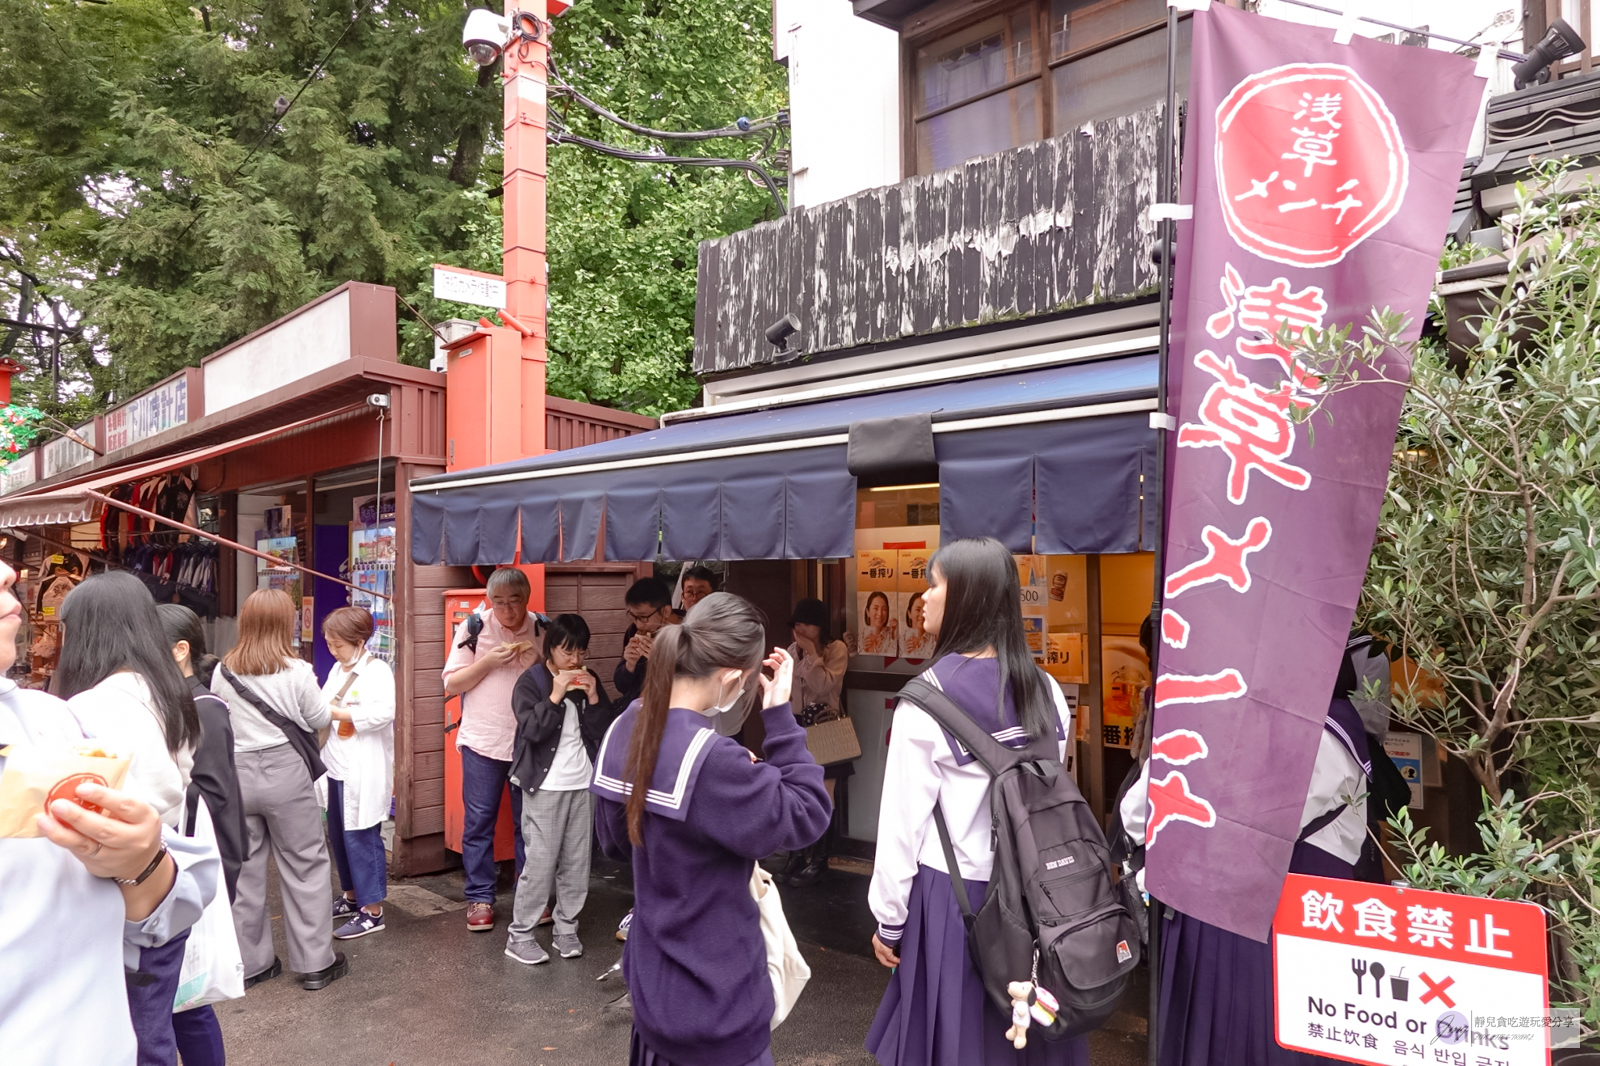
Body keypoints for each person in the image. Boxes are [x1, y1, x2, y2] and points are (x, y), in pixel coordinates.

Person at [865, 537, 1085, 1066]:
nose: (923, 598)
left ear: (964, 597)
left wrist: (889, 921)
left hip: (954, 898)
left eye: (934, 584)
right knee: (1031, 1034)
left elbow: (901, 830)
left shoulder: (925, 701)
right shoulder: (1048, 690)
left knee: (958, 1038)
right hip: (1042, 896)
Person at [592, 593, 832, 1066]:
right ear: (729, 678)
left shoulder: (626, 726)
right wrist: (780, 716)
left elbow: (615, 843)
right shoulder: (715, 760)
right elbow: (808, 813)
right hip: (717, 999)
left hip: (655, 985)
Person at [6, 559, 218, 1066]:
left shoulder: (82, 707)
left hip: (141, 887)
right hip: (154, 879)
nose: (9, 573)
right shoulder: (157, 686)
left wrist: (138, 846)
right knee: (179, 1013)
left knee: (164, 1020)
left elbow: (151, 791)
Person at [1132, 643, 1378, 1066]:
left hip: (1245, 914)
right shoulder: (1336, 724)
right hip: (1298, 914)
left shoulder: (1299, 726)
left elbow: (1141, 814)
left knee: (1227, 1033)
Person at [58, 572, 209, 1066]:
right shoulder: (163, 688)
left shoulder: (96, 704)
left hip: (121, 893)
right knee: (156, 1023)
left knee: (135, 1038)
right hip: (164, 882)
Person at [210, 589, 347, 991]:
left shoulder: (224, 670)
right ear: (286, 623)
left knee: (246, 869)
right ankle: (315, 964)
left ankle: (253, 964)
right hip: (285, 771)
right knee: (305, 864)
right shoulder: (297, 671)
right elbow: (319, 716)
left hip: (238, 774)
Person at [505, 613, 620, 964]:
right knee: (540, 860)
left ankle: (566, 928)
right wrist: (555, 696)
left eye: (581, 652)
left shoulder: (590, 678)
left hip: (582, 782)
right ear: (551, 648)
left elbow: (603, 732)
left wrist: (595, 698)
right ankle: (520, 935)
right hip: (545, 785)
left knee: (576, 860)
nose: (575, 660)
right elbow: (532, 731)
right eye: (567, 652)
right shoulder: (532, 681)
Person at [442, 567, 543, 932]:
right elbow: (452, 683)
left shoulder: (542, 628)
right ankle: (480, 896)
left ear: (527, 598)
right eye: (498, 603)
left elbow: (559, 680)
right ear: (489, 601)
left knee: (528, 823)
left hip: (529, 742)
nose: (507, 611)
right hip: (483, 739)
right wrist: (487, 662)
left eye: (514, 602)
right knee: (479, 821)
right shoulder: (474, 628)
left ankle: (529, 895)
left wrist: (541, 665)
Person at [320, 606, 395, 940]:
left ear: (360, 640)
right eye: (330, 643)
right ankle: (352, 897)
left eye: (338, 644)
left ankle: (373, 910)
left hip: (363, 767)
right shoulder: (338, 669)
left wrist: (339, 713)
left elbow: (383, 713)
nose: (333, 650)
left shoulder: (377, 671)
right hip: (337, 766)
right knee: (339, 834)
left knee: (362, 836)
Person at [782, 597, 850, 888]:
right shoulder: (789, 651)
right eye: (797, 623)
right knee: (795, 789)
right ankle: (797, 854)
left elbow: (824, 686)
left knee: (825, 794)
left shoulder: (836, 649)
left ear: (819, 626)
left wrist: (812, 655)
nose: (801, 629)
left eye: (807, 623)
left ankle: (820, 860)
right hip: (797, 725)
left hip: (826, 724)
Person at [613, 577, 674, 706]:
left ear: (666, 611)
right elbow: (622, 687)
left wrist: (660, 661)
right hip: (638, 709)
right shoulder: (632, 631)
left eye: (643, 617)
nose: (639, 624)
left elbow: (690, 687)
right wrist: (629, 665)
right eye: (634, 617)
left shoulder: (684, 636)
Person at [900, 592, 937, 659]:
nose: (922, 615)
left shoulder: (934, 639)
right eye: (918, 610)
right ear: (909, 613)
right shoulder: (901, 639)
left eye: (924, 610)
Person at [859, 590, 897, 655]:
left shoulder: (892, 633)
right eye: (876, 608)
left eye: (884, 609)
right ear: (868, 611)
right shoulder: (860, 637)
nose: (880, 614)